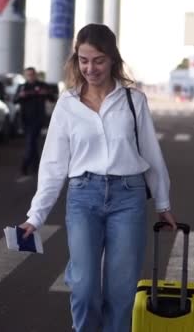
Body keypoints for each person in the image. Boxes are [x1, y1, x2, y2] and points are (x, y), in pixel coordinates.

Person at [18, 23, 177, 332]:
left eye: (99, 60)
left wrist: (163, 202)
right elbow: (52, 164)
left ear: (113, 59)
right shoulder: (67, 105)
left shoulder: (134, 101)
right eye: (83, 60)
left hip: (127, 197)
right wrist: (35, 217)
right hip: (83, 196)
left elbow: (152, 157)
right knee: (85, 285)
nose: (90, 68)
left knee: (121, 290)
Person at [13, 67, 56, 175]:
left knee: (31, 141)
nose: (30, 77)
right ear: (25, 76)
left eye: (32, 74)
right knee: (33, 143)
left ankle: (25, 165)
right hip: (25, 119)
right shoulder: (22, 87)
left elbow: (52, 98)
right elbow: (15, 100)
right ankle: (36, 167)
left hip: (38, 119)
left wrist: (45, 93)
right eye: (28, 75)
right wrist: (21, 96)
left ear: (35, 75)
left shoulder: (42, 85)